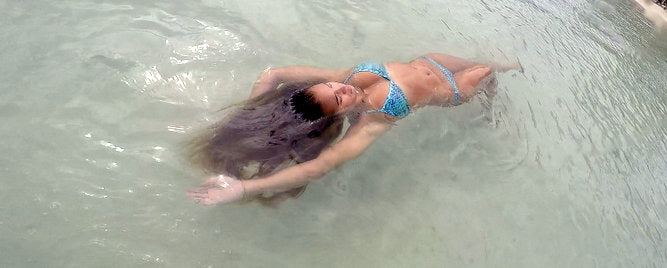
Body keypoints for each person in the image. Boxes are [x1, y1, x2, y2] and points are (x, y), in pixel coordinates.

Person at [186, 53, 520, 206]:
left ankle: (501, 87)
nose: (342, 89)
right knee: (488, 71)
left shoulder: (345, 76)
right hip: (451, 91)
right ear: (338, 114)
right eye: (337, 99)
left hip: (429, 61)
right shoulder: (373, 120)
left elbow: (272, 74)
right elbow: (318, 167)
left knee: (488, 61)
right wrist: (244, 188)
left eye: (332, 86)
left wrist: (250, 114)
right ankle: (492, 108)